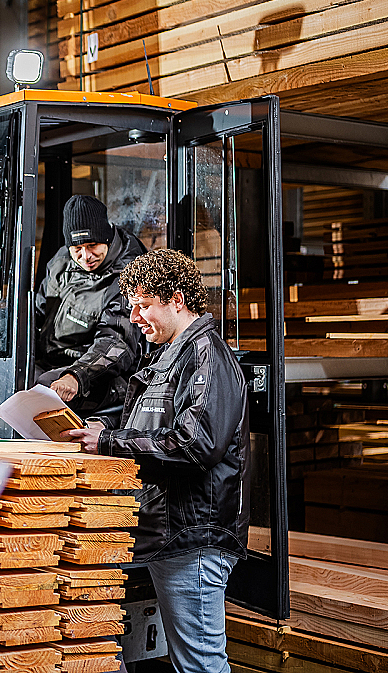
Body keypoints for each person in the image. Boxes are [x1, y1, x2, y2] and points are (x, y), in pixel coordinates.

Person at [63, 248, 248, 673]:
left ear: (177, 299)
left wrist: (109, 442)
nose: (137, 317)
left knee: (200, 663)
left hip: (194, 536)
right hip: (164, 533)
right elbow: (152, 426)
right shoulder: (169, 355)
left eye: (145, 305)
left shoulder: (206, 355)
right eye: (132, 307)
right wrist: (99, 428)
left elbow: (195, 443)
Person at [34, 194, 146, 421]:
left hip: (103, 376)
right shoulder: (61, 262)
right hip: (52, 363)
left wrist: (76, 376)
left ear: (106, 238)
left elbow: (116, 343)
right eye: (77, 247)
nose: (85, 256)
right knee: (14, 378)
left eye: (92, 245)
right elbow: (37, 313)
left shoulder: (127, 275)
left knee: (43, 388)